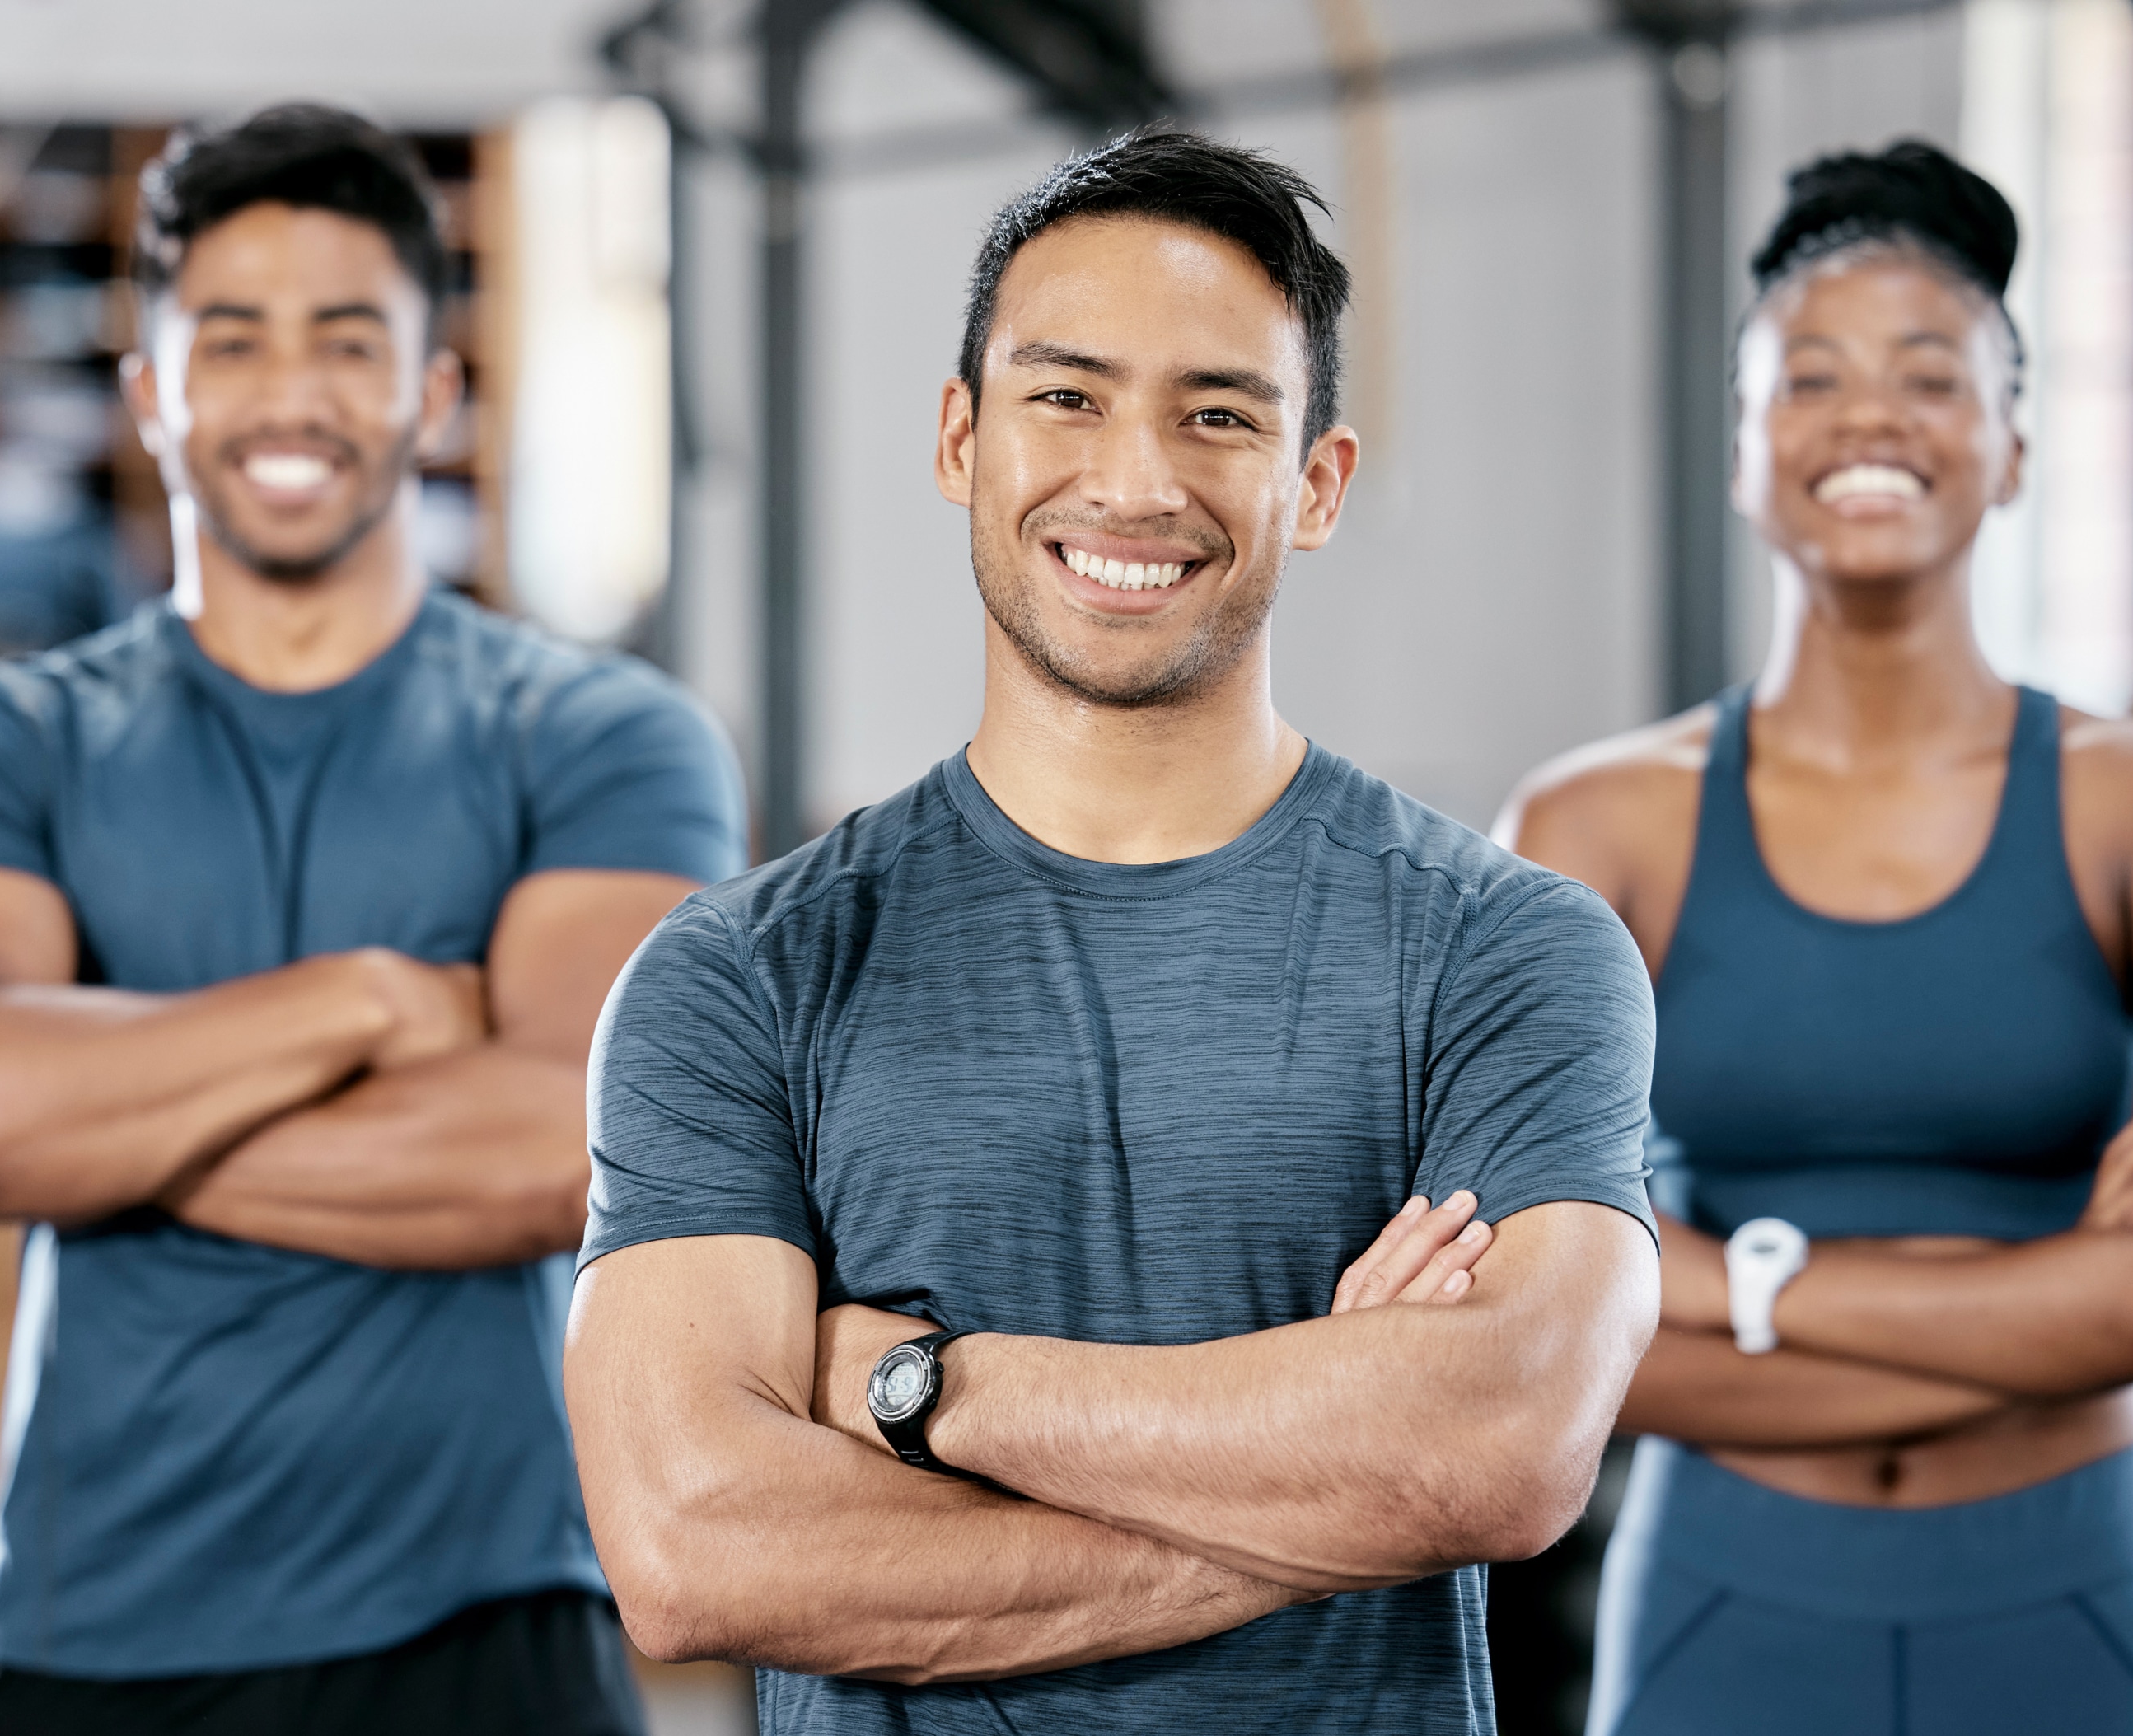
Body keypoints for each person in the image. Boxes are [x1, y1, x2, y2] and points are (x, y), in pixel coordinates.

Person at [565, 128, 1662, 1734]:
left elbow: (1497, 1454)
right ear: (959, 438)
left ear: (1318, 479)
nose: (1134, 481)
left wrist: (922, 1389)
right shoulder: (736, 980)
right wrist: (1333, 1478)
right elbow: (694, 1551)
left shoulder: (1504, 953)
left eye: (1215, 414)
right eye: (1064, 396)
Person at [0, 105, 741, 1736]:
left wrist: (89, 1129)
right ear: (148, 394)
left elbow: (565, 1152)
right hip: (85, 1626)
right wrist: (365, 1004)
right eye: (231, 338)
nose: (290, 390)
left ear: (433, 390)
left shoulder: (598, 737)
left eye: (347, 336)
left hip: (490, 1621)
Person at [1498, 142, 2133, 1736]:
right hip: (1721, 1587)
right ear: (1745, 446)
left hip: (2079, 1579)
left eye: (1932, 375)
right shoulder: (1594, 826)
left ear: (2011, 446)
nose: (1870, 417)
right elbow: (1524, 1340)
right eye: (1810, 378)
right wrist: (2070, 1291)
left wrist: (1736, 1278)